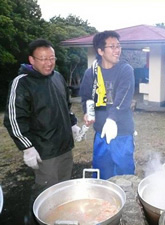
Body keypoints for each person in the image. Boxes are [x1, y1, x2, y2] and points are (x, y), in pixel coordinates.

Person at [3, 39, 80, 224]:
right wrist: (27, 148)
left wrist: (72, 124)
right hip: (44, 153)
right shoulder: (22, 83)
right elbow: (13, 119)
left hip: (65, 147)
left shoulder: (58, 77)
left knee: (64, 189)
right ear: (32, 60)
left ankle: (62, 219)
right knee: (46, 194)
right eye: (43, 58)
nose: (49, 63)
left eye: (51, 58)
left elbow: (66, 106)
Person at [79, 31, 135, 179]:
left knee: (124, 174)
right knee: (101, 172)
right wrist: (87, 111)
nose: (117, 50)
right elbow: (86, 97)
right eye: (112, 46)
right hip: (101, 132)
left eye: (118, 46)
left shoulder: (125, 70)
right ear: (100, 51)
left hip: (122, 132)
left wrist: (111, 119)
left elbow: (123, 99)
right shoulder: (91, 73)